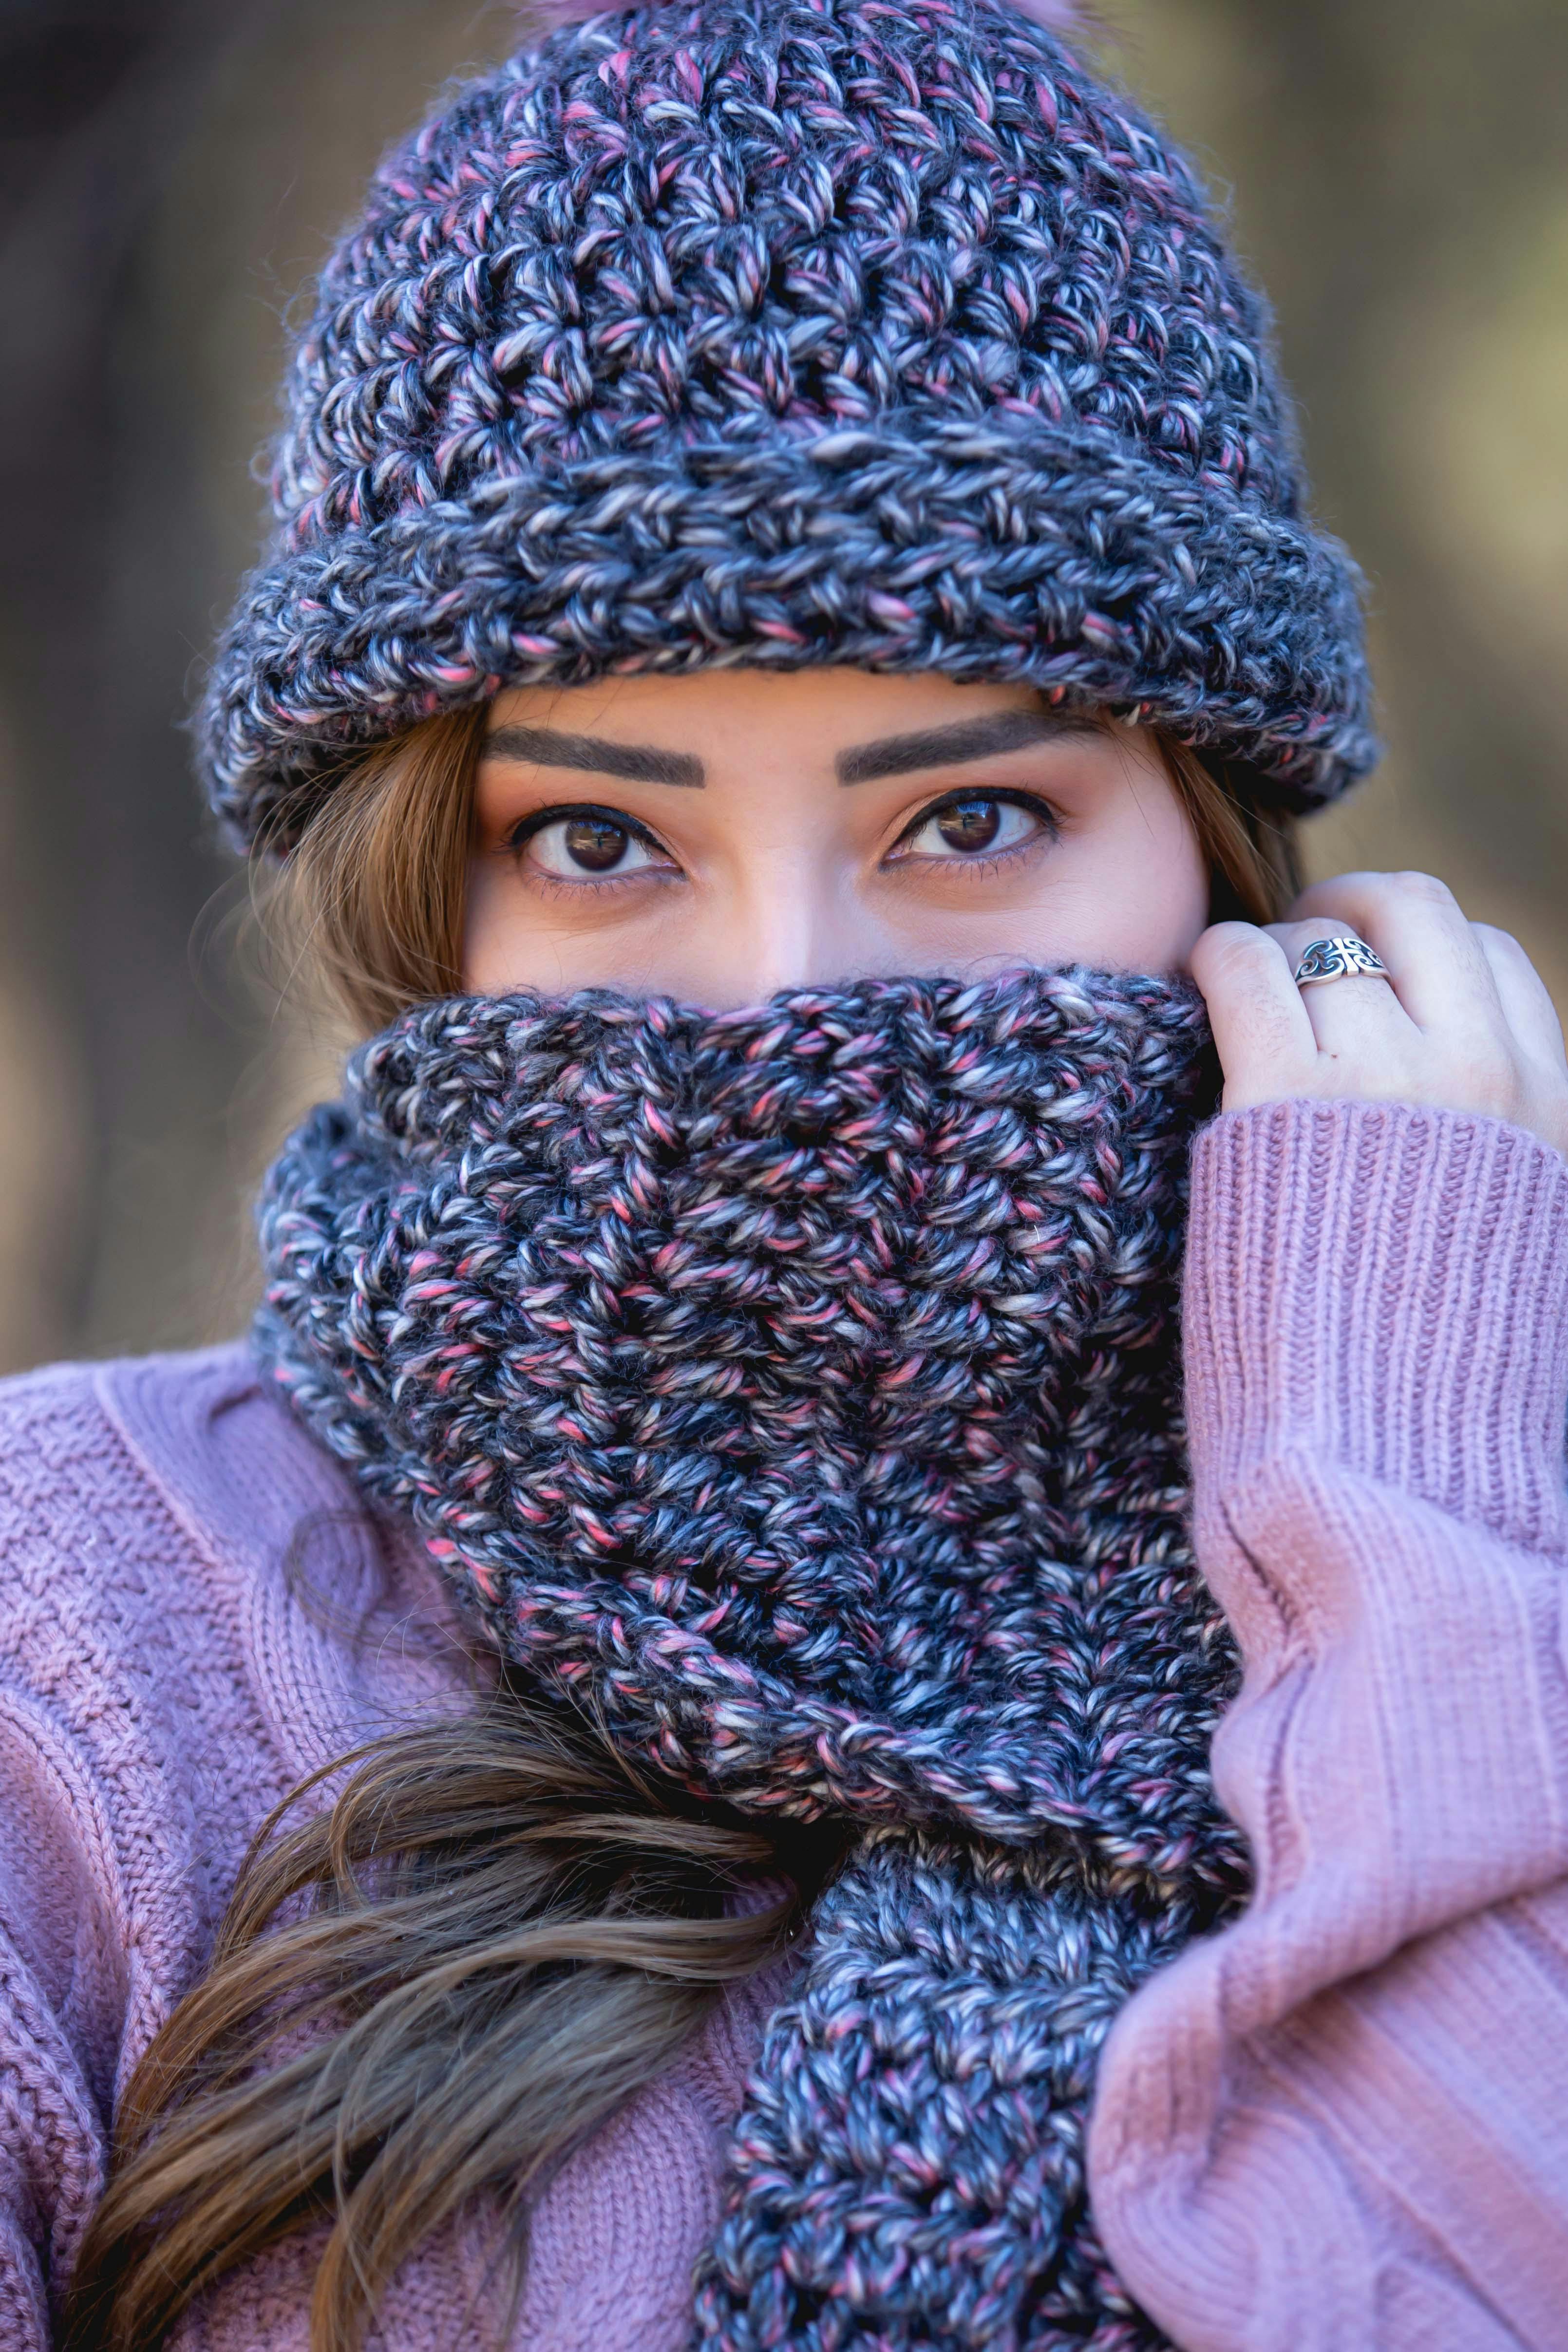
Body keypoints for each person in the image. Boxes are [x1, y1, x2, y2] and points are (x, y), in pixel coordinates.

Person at [2, 1, 1565, 2347]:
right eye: (604, 837)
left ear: (1222, 862)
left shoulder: (1493, 1577)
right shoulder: (82, 1620)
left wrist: (1407, 1515)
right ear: (436, 896)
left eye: (967, 817)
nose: (785, 993)